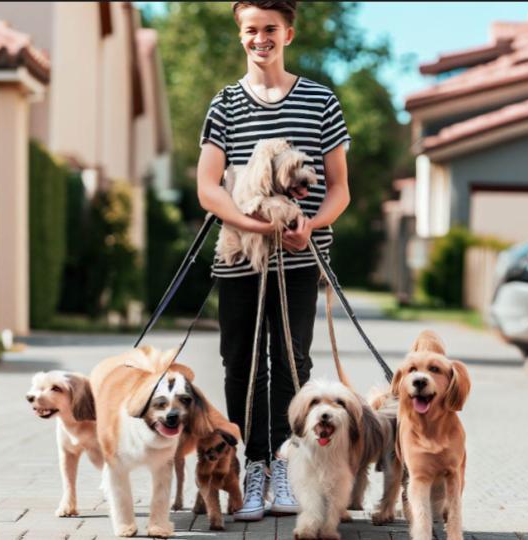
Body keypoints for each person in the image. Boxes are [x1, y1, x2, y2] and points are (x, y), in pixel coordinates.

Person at [196, 0, 351, 522]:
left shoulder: (320, 101)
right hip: (241, 259)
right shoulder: (224, 105)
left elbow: (339, 189)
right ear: (240, 35)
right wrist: (262, 226)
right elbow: (207, 188)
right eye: (250, 29)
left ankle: (286, 461)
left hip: (301, 260)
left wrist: (309, 225)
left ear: (287, 33)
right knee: (239, 363)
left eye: (269, 29)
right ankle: (251, 463)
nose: (259, 38)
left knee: (291, 362)